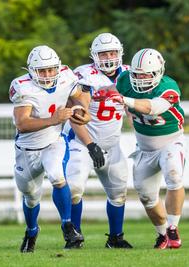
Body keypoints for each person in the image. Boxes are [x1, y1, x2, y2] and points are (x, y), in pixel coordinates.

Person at [9, 45, 91, 252]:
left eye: (51, 69)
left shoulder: (66, 76)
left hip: (53, 142)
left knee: (57, 176)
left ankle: (68, 226)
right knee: (30, 196)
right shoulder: (23, 87)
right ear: (31, 71)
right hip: (27, 150)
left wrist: (83, 110)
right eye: (42, 71)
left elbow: (78, 95)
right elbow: (22, 124)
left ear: (58, 67)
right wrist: (54, 119)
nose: (47, 75)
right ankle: (32, 230)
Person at [107, 48, 186, 249]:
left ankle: (173, 228)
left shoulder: (169, 86)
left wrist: (125, 100)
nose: (140, 78)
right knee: (146, 196)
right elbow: (114, 94)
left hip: (170, 141)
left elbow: (153, 107)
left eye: (145, 74)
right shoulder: (124, 80)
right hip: (144, 147)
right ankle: (162, 235)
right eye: (137, 74)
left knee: (174, 176)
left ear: (158, 72)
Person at [63, 33, 132, 248]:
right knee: (74, 188)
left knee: (119, 193)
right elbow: (75, 113)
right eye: (103, 54)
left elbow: (134, 107)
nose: (109, 57)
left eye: (112, 52)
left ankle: (115, 238)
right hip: (81, 143)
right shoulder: (84, 75)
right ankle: (75, 237)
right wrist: (90, 145)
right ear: (94, 56)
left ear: (120, 53)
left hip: (111, 145)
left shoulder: (130, 74)